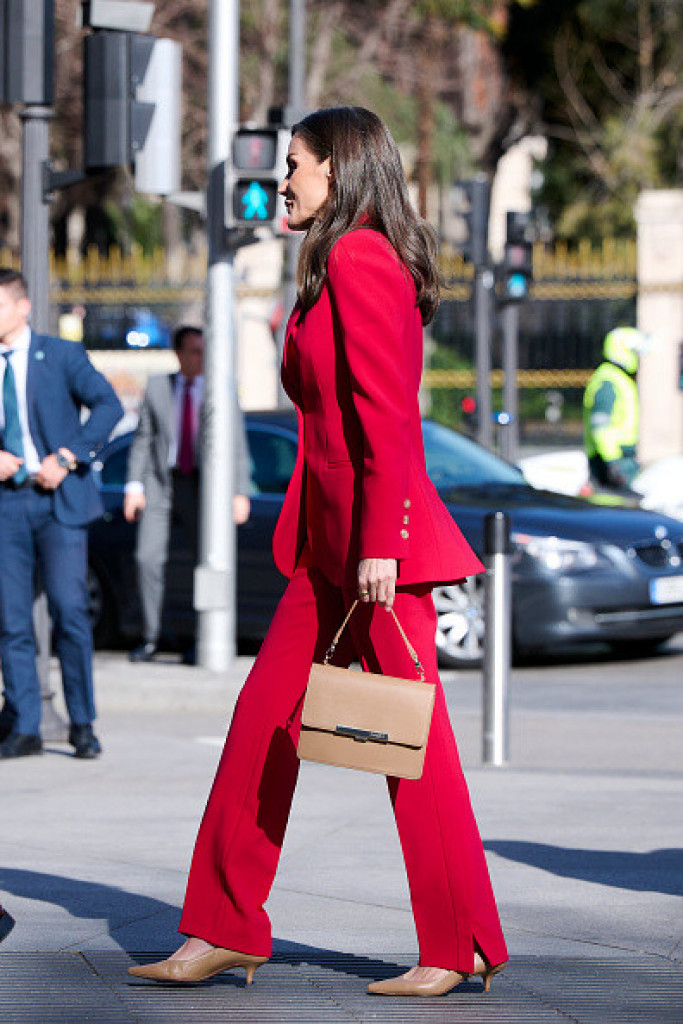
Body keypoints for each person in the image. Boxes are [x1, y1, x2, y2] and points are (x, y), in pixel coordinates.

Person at [129, 107, 508, 997]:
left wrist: (381, 544)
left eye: (293, 165)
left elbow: (388, 415)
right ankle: (222, 927)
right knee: (261, 727)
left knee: (410, 747)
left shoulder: (359, 257)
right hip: (324, 551)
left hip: (374, 551)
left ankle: (458, 943)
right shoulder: (332, 257)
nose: (282, 183)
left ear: (336, 167)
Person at [0, 269, 123, 759]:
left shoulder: (60, 355)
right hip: (8, 502)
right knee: (10, 620)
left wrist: (69, 457)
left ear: (22, 306)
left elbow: (109, 406)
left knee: (70, 611)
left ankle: (83, 724)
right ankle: (24, 725)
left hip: (59, 503)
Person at [124, 326, 251, 663]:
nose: (201, 358)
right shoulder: (158, 386)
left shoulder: (220, 388)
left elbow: (237, 441)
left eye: (204, 351)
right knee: (147, 558)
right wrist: (134, 486)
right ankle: (152, 637)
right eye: (194, 351)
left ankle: (203, 638)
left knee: (207, 560)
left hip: (205, 486)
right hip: (162, 481)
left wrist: (240, 491)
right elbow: (143, 439)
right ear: (179, 354)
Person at [583, 327, 650, 493]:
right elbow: (601, 428)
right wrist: (613, 463)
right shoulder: (608, 381)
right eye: (635, 352)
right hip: (610, 462)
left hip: (620, 459)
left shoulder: (619, 378)